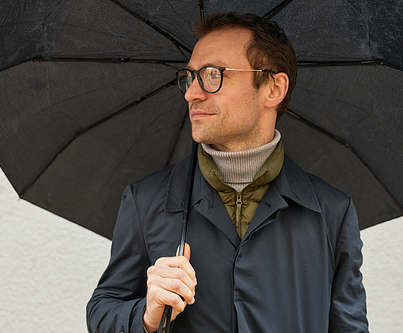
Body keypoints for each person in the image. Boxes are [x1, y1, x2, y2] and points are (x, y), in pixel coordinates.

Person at [87, 12, 368, 333]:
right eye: (190, 76)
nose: (191, 93)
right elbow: (103, 309)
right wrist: (147, 314)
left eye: (212, 74)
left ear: (274, 88)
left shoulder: (331, 211)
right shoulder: (147, 200)